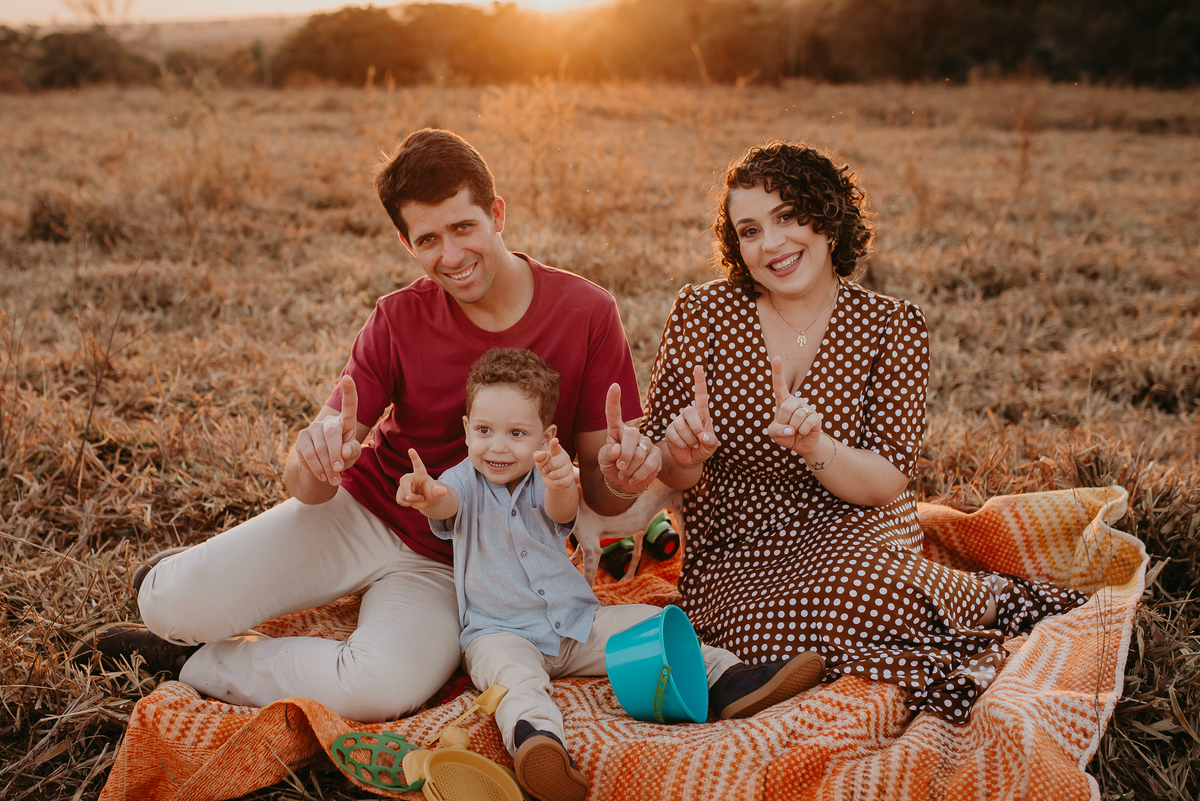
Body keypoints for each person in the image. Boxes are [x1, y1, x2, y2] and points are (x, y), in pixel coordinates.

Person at [68, 128, 666, 722]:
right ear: (407, 243)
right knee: (169, 605)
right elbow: (307, 483)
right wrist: (314, 458)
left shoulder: (588, 313)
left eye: (464, 227)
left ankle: (195, 662)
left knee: (380, 689)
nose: (451, 256)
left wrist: (623, 478)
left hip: (457, 568)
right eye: (428, 239)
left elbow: (603, 497)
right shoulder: (398, 318)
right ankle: (184, 577)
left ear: (497, 214)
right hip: (363, 511)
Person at [642, 141, 1089, 723]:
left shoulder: (890, 325)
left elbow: (885, 480)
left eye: (786, 216)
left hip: (854, 524)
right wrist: (683, 456)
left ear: (828, 219)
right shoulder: (701, 313)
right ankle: (892, 626)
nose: (770, 243)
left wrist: (818, 447)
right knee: (753, 637)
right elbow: (669, 468)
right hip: (736, 545)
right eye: (749, 231)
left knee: (860, 591)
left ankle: (992, 599)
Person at [398, 347, 824, 801]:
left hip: (574, 624)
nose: (497, 446)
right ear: (467, 430)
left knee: (648, 624)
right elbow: (447, 504)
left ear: (546, 438)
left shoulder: (547, 476)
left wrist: (561, 482)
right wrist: (427, 495)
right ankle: (538, 744)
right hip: (500, 632)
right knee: (514, 681)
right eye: (484, 431)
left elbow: (561, 512)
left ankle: (728, 679)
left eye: (516, 433)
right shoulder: (462, 480)